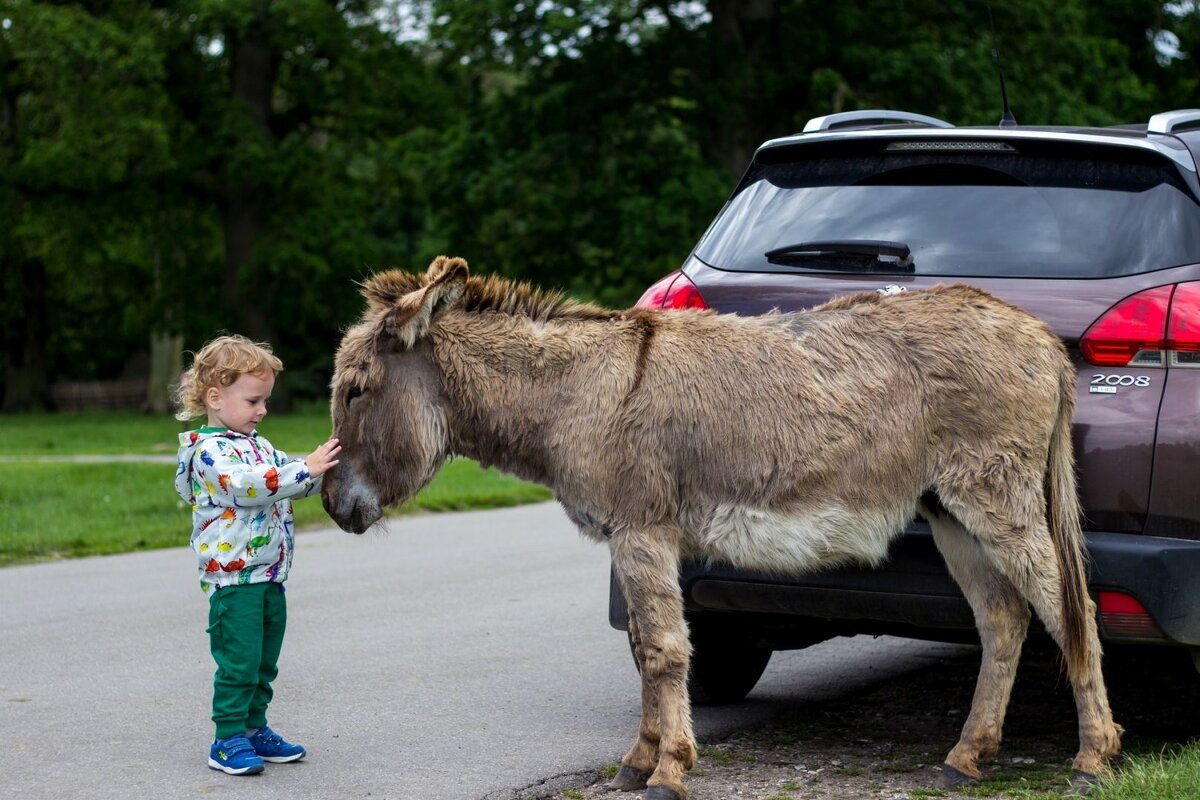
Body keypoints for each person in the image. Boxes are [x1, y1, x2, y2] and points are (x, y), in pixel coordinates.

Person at [173, 334, 341, 775]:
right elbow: (249, 486)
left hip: (268, 575)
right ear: (215, 397)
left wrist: (323, 469)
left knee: (264, 662)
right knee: (240, 663)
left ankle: (254, 728)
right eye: (253, 400)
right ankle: (226, 739)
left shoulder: (258, 444)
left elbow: (291, 479)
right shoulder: (209, 452)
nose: (262, 410)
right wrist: (303, 468)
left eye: (265, 400)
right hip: (234, 580)